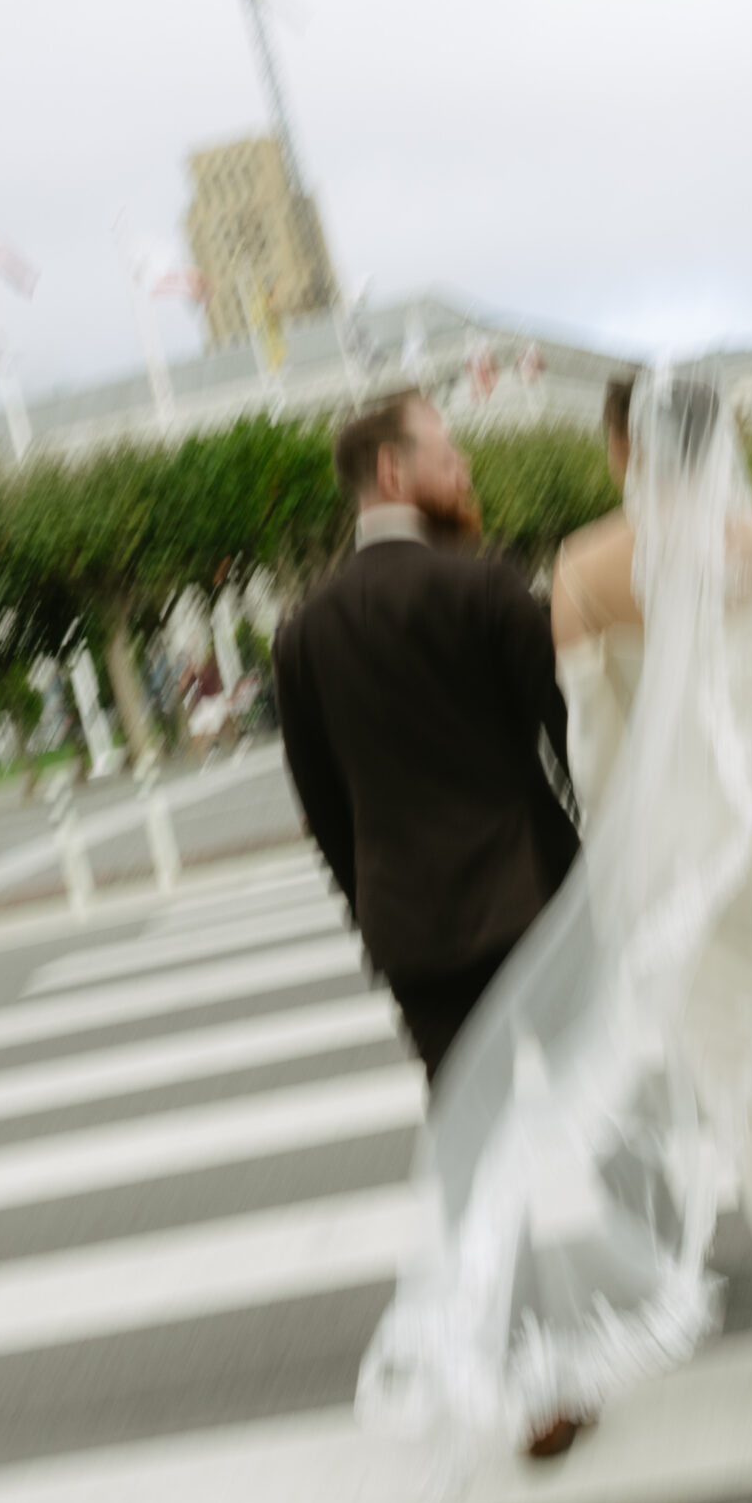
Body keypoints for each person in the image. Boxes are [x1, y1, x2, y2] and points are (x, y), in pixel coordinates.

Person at [357, 368, 752, 1471]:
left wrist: (624, 874)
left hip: (691, 869)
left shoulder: (581, 571)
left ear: (623, 452)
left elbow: (597, 750)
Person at [272, 393, 580, 1088]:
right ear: (392, 471)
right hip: (536, 902)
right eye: (446, 457)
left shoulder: (300, 635)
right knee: (610, 1107)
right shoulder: (488, 588)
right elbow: (572, 745)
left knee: (471, 1137)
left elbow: (323, 809)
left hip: (411, 931)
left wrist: (373, 904)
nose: (463, 468)